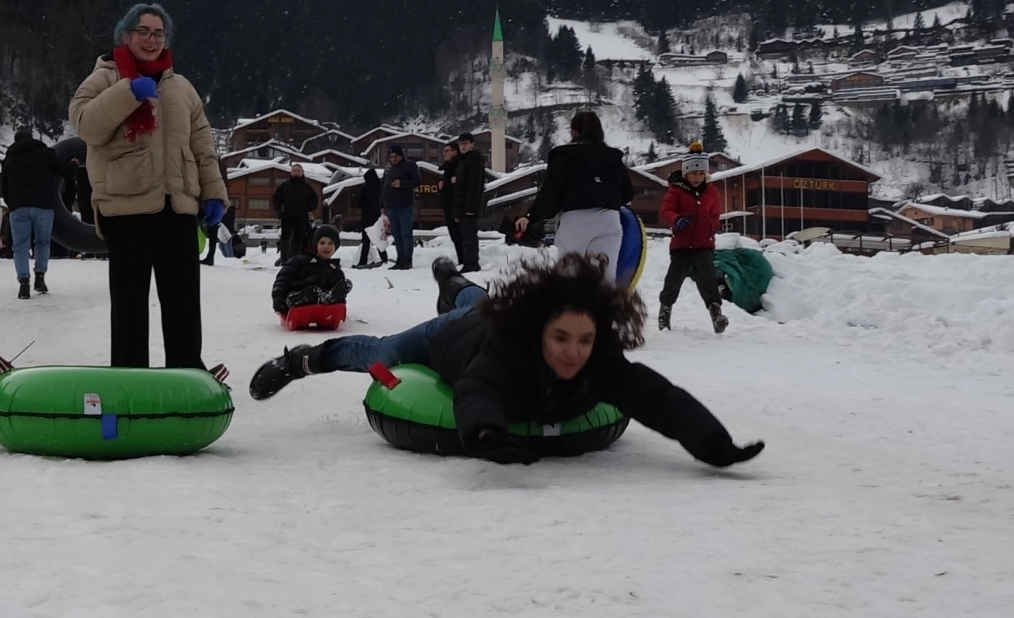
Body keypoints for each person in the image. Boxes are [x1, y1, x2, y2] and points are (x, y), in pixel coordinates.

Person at [248, 254, 765, 468]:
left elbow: (659, 399)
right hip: (447, 338)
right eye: (560, 337)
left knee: (479, 301)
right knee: (381, 352)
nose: (573, 351)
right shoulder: (509, 350)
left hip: (482, 316)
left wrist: (713, 445)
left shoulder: (597, 360)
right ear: (539, 329)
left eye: (584, 340)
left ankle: (453, 281)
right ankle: (303, 361)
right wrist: (487, 434)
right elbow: (478, 388)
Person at [69, 2, 227, 369]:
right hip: (126, 206)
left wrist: (214, 192)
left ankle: (187, 375)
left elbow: (202, 144)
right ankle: (129, 378)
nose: (152, 40)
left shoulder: (182, 87)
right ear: (125, 35)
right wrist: (128, 93)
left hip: (179, 207)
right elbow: (86, 125)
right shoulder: (104, 77)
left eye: (159, 33)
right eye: (143, 31)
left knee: (183, 301)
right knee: (130, 302)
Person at [515, 111, 634, 282]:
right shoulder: (614, 158)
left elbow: (551, 192)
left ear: (574, 132)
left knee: (568, 279)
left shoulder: (565, 156)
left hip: (575, 222)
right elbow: (628, 193)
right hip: (609, 220)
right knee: (605, 281)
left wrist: (531, 216)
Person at [658, 149, 727, 333]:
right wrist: (676, 220)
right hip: (681, 245)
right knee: (674, 280)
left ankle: (716, 314)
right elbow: (666, 211)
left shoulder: (712, 192)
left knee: (708, 279)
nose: (697, 177)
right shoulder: (676, 191)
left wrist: (712, 226)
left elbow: (715, 215)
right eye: (693, 173)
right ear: (685, 173)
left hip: (704, 245)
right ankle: (665, 311)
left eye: (701, 173)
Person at [1, 127, 70, 298]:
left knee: (20, 246)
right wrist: (75, 164)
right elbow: (65, 171)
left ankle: (24, 283)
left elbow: (4, 188)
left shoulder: (9, 160)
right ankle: (40, 277)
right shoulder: (45, 153)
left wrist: (13, 204)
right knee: (42, 242)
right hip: (43, 205)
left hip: (19, 208)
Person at [271, 223, 352, 315]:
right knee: (312, 291)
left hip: (325, 308)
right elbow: (283, 278)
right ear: (316, 244)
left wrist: (340, 300)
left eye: (330, 243)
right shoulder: (300, 260)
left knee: (342, 285)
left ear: (335, 247)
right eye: (322, 243)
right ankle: (302, 298)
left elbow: (340, 293)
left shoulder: (335, 270)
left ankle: (326, 298)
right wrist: (278, 296)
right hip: (297, 299)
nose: (326, 246)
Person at [381, 144, 419, 270]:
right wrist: (382, 204)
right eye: (391, 156)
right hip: (391, 206)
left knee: (406, 234)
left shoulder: (409, 165)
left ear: (401, 155)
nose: (393, 159)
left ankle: (407, 259)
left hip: (404, 205)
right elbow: (384, 186)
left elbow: (417, 181)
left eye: (396, 156)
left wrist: (402, 184)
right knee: (396, 235)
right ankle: (400, 259)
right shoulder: (388, 168)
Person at [451, 134, 486, 272]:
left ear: (472, 144)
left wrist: (470, 207)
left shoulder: (474, 161)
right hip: (461, 204)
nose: (463, 146)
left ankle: (472, 263)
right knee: (465, 236)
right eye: (461, 144)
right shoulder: (463, 161)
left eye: (465, 143)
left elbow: (474, 186)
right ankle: (468, 262)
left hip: (469, 206)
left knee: (470, 236)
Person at [272, 163, 318, 262]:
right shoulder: (285, 185)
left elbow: (314, 200)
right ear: (291, 172)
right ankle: (284, 260)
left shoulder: (307, 187)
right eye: (295, 171)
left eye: (298, 171)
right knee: (285, 238)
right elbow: (276, 198)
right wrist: (280, 207)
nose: (296, 173)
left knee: (299, 238)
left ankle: (295, 260)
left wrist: (308, 208)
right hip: (287, 216)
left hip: (301, 216)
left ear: (302, 173)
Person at [354, 168, 386, 268]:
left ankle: (363, 261)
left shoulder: (364, 188)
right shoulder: (381, 187)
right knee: (379, 240)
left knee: (366, 241)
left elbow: (359, 202)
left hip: (367, 217)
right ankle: (384, 258)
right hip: (378, 217)